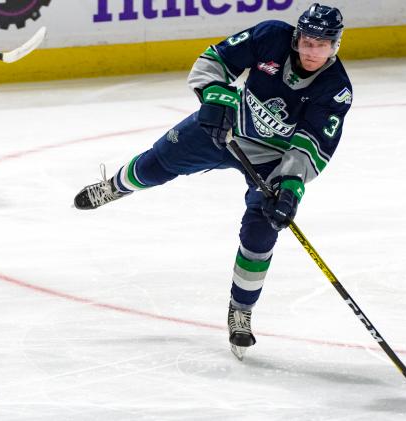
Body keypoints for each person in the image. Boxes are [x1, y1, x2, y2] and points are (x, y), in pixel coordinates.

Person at [74, 3, 352, 359]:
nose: (312, 51)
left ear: (335, 45)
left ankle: (241, 311)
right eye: (307, 42)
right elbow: (215, 60)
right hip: (226, 130)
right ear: (297, 38)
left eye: (321, 44)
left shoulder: (335, 89)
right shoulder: (270, 36)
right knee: (157, 164)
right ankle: (116, 186)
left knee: (261, 230)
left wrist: (290, 188)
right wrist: (214, 96)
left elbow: (309, 145)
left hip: (272, 160)